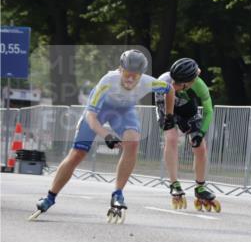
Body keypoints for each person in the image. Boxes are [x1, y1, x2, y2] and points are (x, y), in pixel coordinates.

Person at [29, 50, 174, 223]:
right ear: (120, 70)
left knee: (133, 142)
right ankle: (50, 197)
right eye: (126, 74)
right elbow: (91, 116)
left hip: (124, 112)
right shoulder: (107, 81)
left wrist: (169, 115)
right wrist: (106, 135)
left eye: (134, 76)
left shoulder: (148, 82)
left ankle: (118, 194)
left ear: (141, 75)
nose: (130, 79)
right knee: (77, 154)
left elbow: (169, 89)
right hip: (99, 111)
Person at [157, 57, 220, 212]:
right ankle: (174, 183)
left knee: (200, 146)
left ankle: (200, 187)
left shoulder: (199, 86)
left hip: (187, 109)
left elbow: (208, 111)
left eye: (179, 84)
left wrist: (201, 133)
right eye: (174, 81)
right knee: (171, 139)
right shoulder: (163, 83)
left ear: (191, 81)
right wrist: (170, 119)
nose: (175, 85)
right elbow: (167, 111)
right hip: (167, 106)